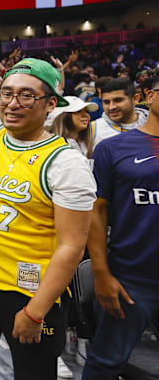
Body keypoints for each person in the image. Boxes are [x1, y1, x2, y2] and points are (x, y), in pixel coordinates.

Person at [0, 31, 96, 380]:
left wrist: (35, 313)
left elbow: (72, 247)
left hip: (28, 295)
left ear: (51, 104)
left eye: (26, 96)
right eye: (7, 94)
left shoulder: (66, 163)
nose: (12, 103)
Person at [82, 78, 159, 378]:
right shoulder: (112, 148)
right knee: (106, 362)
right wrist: (101, 273)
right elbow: (96, 211)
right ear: (149, 96)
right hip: (131, 278)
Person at [91, 77, 148, 148]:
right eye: (106, 102)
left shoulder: (153, 124)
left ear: (135, 99)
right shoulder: (92, 129)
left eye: (118, 100)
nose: (112, 107)